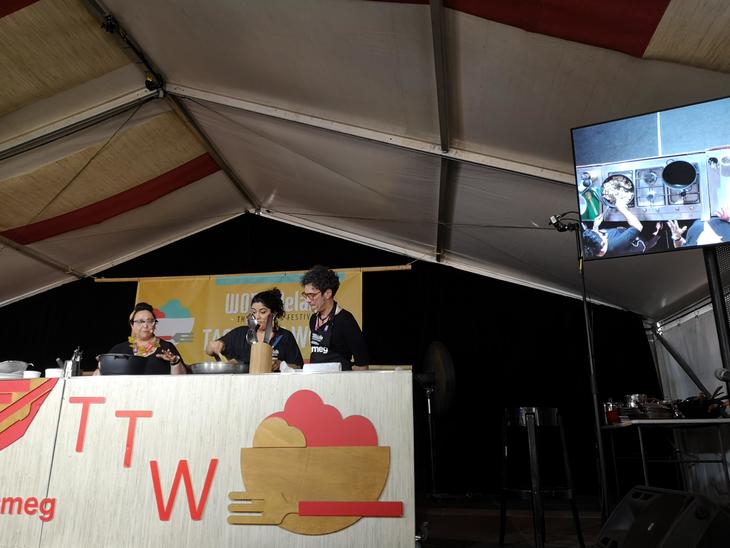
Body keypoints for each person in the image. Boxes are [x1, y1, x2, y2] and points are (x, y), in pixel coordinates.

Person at [206, 288, 303, 372]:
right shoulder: (241, 333)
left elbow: (299, 367)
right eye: (254, 312)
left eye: (263, 312)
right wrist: (214, 346)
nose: (257, 316)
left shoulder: (285, 336)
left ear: (274, 313)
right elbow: (209, 350)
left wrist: (280, 364)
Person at [301, 265, 368, 371]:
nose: (308, 300)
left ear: (328, 293)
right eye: (306, 295)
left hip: (338, 380)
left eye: (312, 295)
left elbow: (362, 366)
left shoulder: (345, 320)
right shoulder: (313, 319)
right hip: (315, 380)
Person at [98, 302, 187, 375]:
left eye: (150, 321)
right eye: (140, 321)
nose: (145, 325)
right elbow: (101, 373)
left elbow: (182, 378)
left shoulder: (167, 348)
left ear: (155, 324)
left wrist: (175, 362)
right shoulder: (119, 349)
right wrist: (102, 366)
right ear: (132, 325)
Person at [582, 201, 660, 258]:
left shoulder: (595, 247)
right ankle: (657, 231)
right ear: (602, 251)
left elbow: (594, 240)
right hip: (639, 239)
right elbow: (638, 226)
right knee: (653, 228)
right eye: (602, 237)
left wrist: (595, 228)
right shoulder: (614, 245)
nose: (604, 235)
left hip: (622, 232)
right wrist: (622, 208)